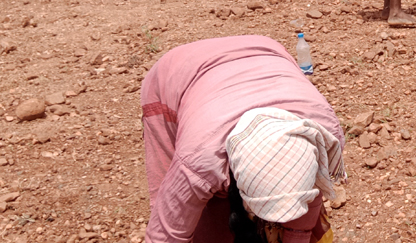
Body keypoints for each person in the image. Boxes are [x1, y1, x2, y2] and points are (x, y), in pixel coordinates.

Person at [141, 35, 345, 243]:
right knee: (193, 212)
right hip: (177, 73)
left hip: (264, 53)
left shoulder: (324, 136)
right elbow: (166, 236)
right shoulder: (198, 160)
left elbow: (308, 201)